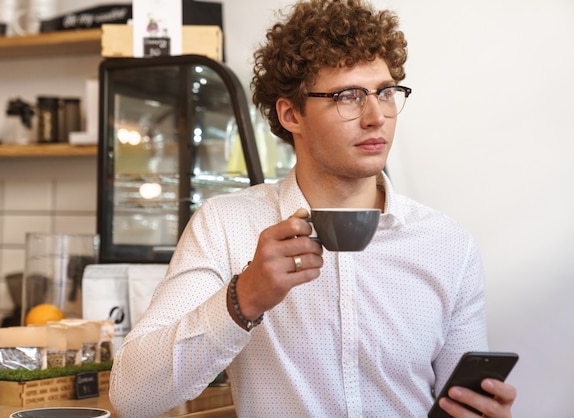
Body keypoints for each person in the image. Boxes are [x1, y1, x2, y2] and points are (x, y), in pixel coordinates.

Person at [109, 0, 518, 416]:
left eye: (387, 92)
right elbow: (132, 396)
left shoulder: (448, 245)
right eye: (349, 96)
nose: (376, 116)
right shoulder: (225, 226)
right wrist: (244, 297)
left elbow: (460, 401)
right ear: (291, 114)